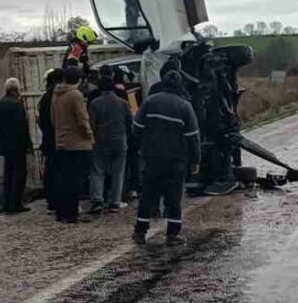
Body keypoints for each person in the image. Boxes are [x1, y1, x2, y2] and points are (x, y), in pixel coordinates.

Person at [132, 70, 199, 247]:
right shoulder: (185, 106)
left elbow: (137, 127)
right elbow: (193, 137)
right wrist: (195, 160)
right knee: (174, 199)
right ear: (179, 86)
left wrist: (141, 148)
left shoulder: (149, 101)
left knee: (147, 196)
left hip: (152, 158)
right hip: (176, 161)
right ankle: (172, 235)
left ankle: (140, 232)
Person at [51, 65, 95, 224]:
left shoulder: (56, 94)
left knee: (64, 178)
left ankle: (62, 212)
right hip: (77, 143)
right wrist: (90, 136)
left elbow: (52, 119)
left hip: (61, 141)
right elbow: (82, 120)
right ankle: (72, 214)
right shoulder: (75, 95)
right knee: (76, 181)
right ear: (79, 79)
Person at [88, 77, 133, 214]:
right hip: (120, 140)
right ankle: (115, 201)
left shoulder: (95, 104)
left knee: (97, 171)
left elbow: (91, 124)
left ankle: (97, 200)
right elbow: (129, 122)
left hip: (100, 140)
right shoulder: (123, 103)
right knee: (118, 172)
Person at [0, 78, 33, 213]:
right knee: (19, 174)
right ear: (17, 89)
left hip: (4, 145)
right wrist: (28, 145)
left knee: (8, 174)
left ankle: (7, 203)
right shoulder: (17, 105)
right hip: (18, 145)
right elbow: (23, 127)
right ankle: (16, 203)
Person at [38, 68, 61, 213]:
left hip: (48, 139)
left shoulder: (45, 96)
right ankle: (57, 200)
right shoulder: (57, 95)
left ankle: (51, 200)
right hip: (57, 138)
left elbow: (41, 120)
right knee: (59, 170)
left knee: (50, 170)